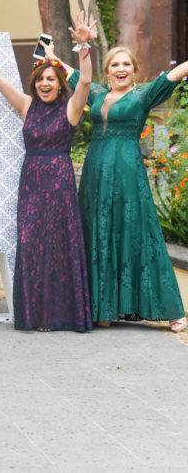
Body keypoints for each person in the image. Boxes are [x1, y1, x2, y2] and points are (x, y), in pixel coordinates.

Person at [0, 14, 95, 332]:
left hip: (59, 184)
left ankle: (61, 316)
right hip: (31, 183)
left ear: (61, 84)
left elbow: (85, 81)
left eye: (52, 80)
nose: (45, 84)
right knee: (31, 244)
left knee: (59, 246)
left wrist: (84, 45)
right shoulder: (26, 105)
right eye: (41, 79)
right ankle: (36, 314)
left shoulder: (71, 109)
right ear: (35, 83)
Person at [75, 46, 188, 333]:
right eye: (115, 64)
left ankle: (171, 311)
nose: (121, 68)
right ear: (108, 71)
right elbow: (75, 75)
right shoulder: (96, 93)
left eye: (127, 64)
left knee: (138, 233)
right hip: (95, 175)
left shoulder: (142, 95)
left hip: (127, 175)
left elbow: (173, 75)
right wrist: (51, 54)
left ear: (134, 71)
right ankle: (104, 307)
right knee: (98, 231)